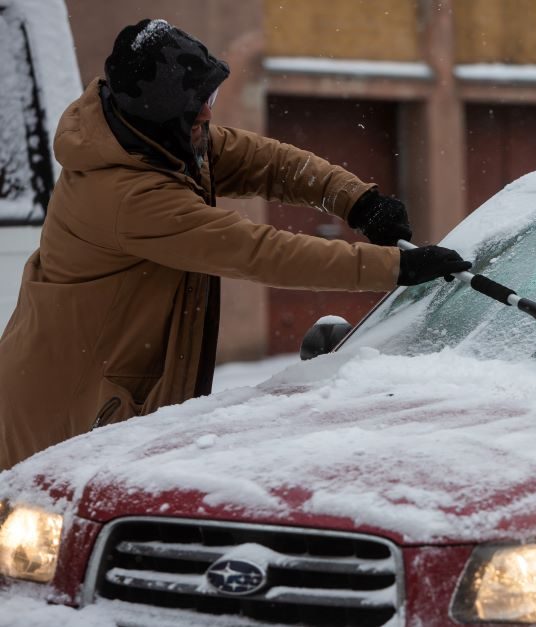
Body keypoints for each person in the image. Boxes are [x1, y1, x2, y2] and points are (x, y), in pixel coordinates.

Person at [0, 19, 471, 470]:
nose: (208, 111)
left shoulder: (159, 142)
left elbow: (266, 162)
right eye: (196, 103)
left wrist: (356, 200)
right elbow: (256, 251)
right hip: (64, 415)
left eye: (211, 96)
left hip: (99, 398)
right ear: (159, 113)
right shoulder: (129, 197)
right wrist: (394, 268)